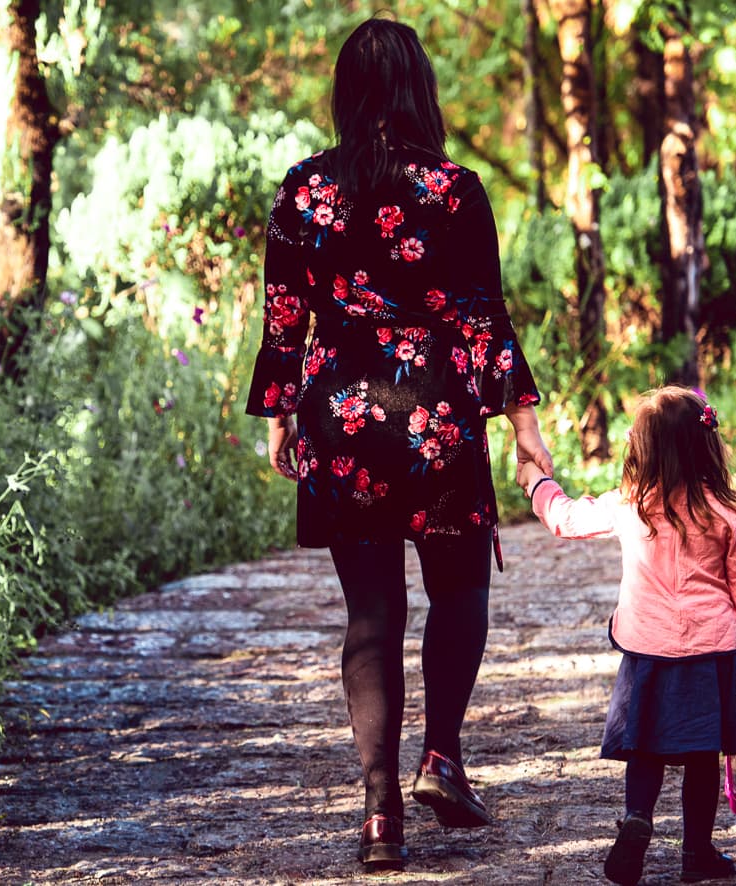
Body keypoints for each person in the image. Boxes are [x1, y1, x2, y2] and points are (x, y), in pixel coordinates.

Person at [246, 15, 553, 870]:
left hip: (339, 417)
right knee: (458, 595)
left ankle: (380, 812)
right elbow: (484, 319)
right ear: (421, 89)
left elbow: (284, 317)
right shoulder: (456, 189)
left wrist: (281, 412)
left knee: (370, 615)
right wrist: (526, 428)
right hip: (437, 421)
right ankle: (441, 760)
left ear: (346, 95)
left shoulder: (304, 188)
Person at [517, 386, 736, 885]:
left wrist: (536, 484)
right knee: (703, 756)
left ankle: (637, 817)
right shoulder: (724, 516)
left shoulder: (629, 506)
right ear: (706, 447)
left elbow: (566, 518)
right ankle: (696, 852)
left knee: (646, 749)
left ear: (643, 450)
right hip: (713, 651)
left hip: (647, 649)